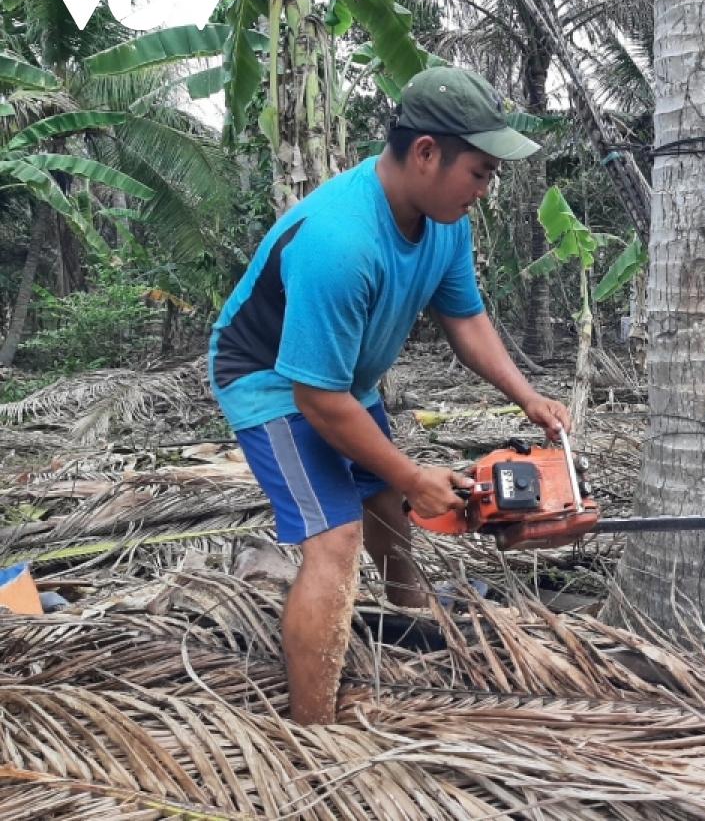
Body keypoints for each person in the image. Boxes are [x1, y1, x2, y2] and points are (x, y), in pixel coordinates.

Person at [207, 66, 571, 725]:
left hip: (343, 380)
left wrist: (529, 398)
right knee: (338, 539)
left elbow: (465, 318)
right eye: (481, 172)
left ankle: (406, 611)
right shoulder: (340, 242)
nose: (485, 191)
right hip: (273, 383)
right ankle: (314, 731)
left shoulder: (445, 219)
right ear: (427, 153)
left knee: (384, 503)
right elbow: (316, 400)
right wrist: (412, 475)